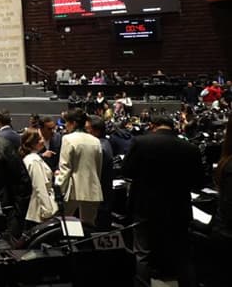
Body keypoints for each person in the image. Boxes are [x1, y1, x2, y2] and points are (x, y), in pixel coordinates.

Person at [122, 114, 202, 285]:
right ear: (172, 127)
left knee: (142, 253)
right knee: (182, 254)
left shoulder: (141, 142)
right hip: (178, 207)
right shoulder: (190, 147)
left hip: (145, 206)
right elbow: (198, 182)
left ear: (153, 125)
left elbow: (127, 171)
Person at [55, 108, 103, 226]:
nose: (65, 125)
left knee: (65, 226)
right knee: (88, 228)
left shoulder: (67, 139)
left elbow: (65, 168)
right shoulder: (96, 141)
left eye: (67, 122)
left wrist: (58, 189)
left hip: (73, 190)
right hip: (93, 189)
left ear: (74, 123)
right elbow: (98, 168)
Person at [19, 129, 57, 226]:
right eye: (40, 139)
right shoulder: (34, 160)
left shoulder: (30, 158)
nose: (43, 140)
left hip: (34, 208)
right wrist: (47, 210)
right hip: (38, 211)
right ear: (32, 143)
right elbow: (39, 187)